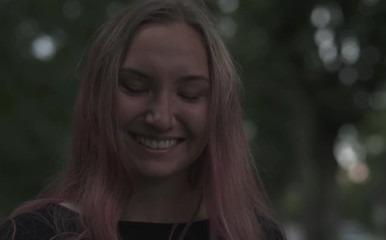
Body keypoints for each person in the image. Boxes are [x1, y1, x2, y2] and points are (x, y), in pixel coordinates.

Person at [0, 0, 286, 239]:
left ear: (219, 110)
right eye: (135, 87)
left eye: (189, 94)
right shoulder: (32, 233)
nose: (160, 118)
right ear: (99, 95)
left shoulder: (253, 234)